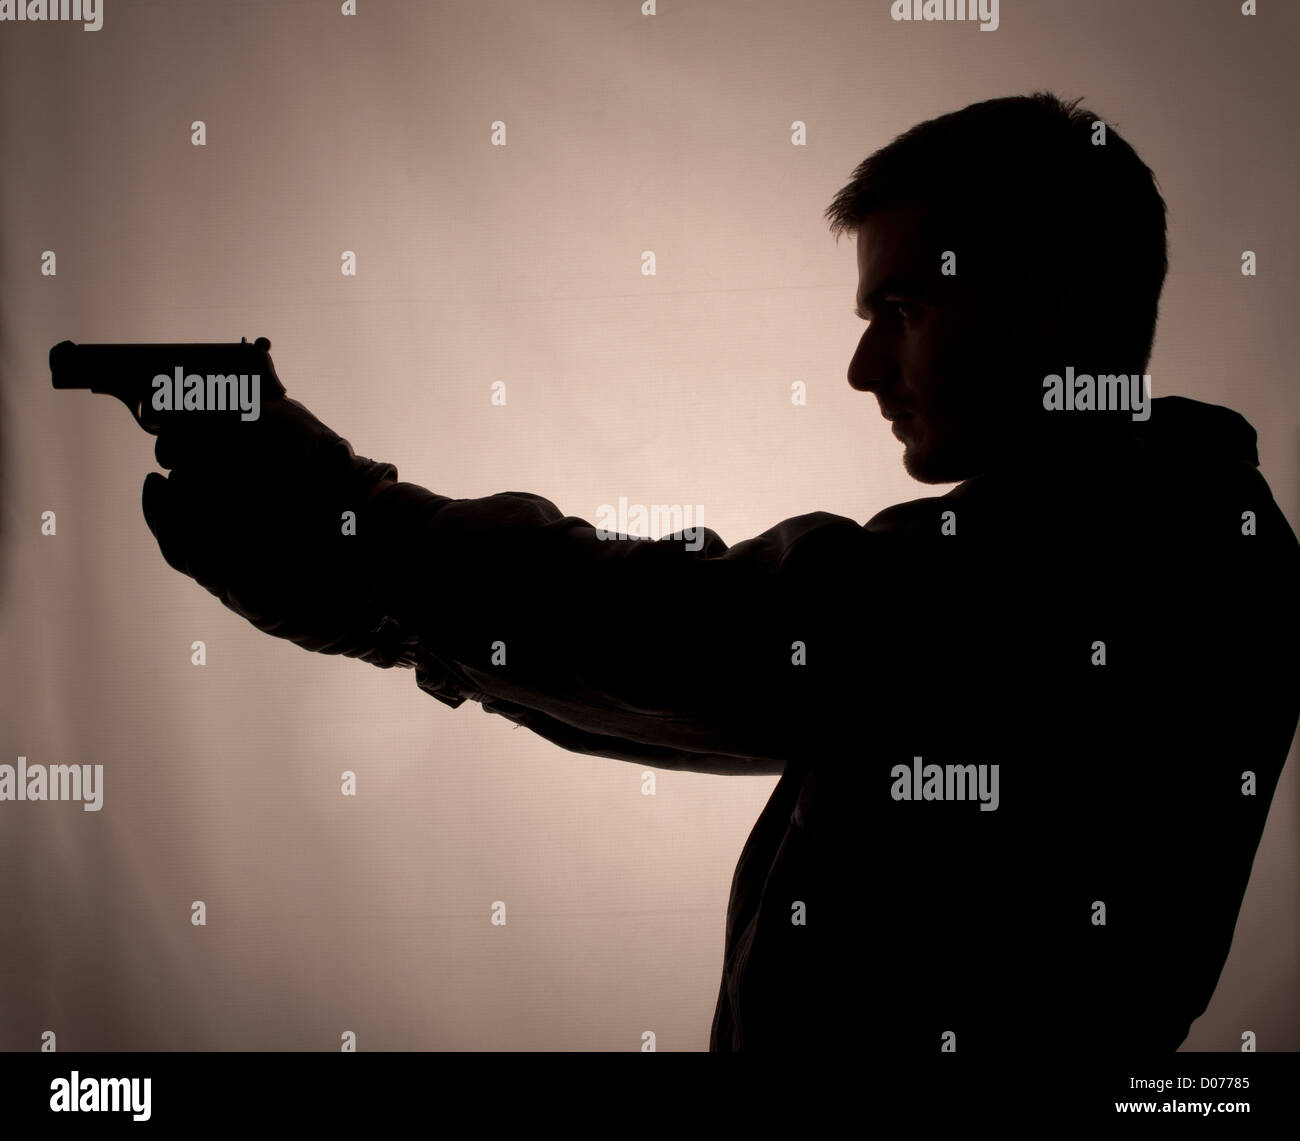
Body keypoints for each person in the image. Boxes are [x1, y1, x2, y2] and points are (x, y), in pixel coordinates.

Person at [141, 92, 1300, 1054]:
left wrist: (355, 522)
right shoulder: (1161, 524)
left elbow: (707, 640)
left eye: (903, 308)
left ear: (1050, 303)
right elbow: (740, 699)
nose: (859, 367)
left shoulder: (1109, 543)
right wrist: (391, 611)